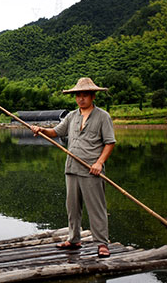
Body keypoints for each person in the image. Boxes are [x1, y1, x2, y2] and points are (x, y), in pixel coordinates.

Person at [31, 77, 116, 258]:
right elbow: (56, 132)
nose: (81, 99)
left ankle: (102, 243)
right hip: (71, 168)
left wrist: (99, 163)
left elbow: (109, 143)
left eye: (85, 95)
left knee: (96, 207)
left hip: (91, 170)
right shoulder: (71, 116)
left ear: (93, 96)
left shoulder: (103, 117)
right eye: (78, 95)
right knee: (72, 206)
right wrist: (41, 129)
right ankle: (74, 238)